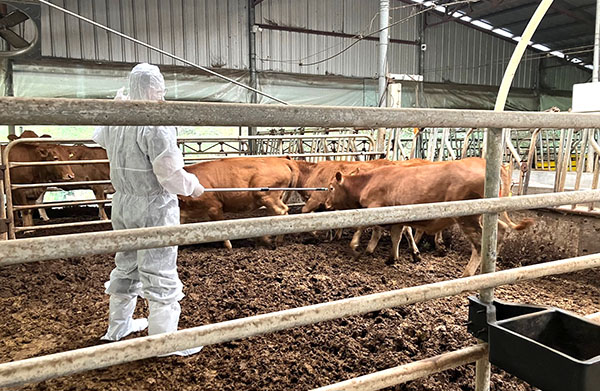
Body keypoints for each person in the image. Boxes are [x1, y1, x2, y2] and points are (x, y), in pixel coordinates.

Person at [93, 63, 205, 356]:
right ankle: (163, 342)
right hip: (153, 205)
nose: (161, 93)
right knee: (159, 268)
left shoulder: (117, 115)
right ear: (151, 87)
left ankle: (117, 328)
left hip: (123, 202)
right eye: (159, 87)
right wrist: (192, 185)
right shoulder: (154, 122)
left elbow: (101, 141)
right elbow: (168, 173)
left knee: (127, 263)